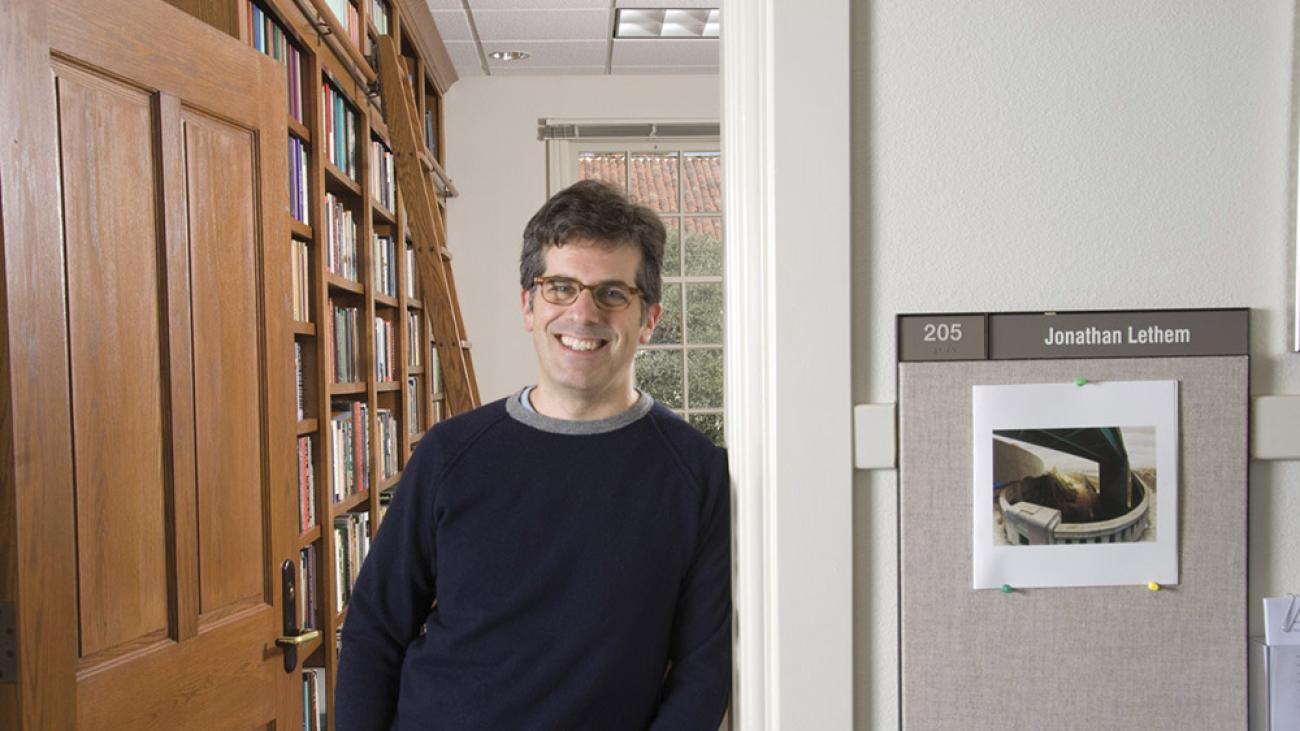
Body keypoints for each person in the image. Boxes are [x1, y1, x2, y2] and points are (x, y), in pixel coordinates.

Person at [336, 180, 732, 730]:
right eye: (561, 287)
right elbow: (374, 630)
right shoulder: (450, 453)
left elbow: (703, 673)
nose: (584, 313)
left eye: (612, 293)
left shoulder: (696, 472)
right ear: (528, 304)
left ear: (649, 320)